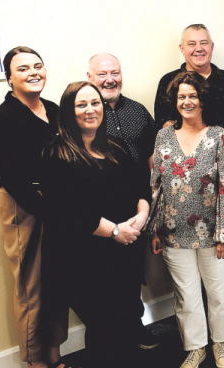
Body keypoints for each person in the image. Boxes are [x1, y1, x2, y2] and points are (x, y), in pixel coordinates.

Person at [41, 81, 154, 368]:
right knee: (105, 327)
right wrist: (116, 231)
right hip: (84, 258)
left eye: (95, 103)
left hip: (124, 250)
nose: (90, 110)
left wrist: (141, 216)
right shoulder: (57, 154)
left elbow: (140, 186)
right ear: (68, 111)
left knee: (124, 321)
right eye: (81, 105)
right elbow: (67, 211)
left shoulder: (114, 146)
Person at [0, 46, 84, 368]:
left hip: (55, 205)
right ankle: (36, 364)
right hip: (22, 206)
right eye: (23, 68)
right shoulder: (1, 118)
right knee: (31, 286)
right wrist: (49, 210)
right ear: (9, 77)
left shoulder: (54, 110)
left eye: (38, 66)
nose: (33, 72)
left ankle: (54, 356)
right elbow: (9, 176)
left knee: (57, 280)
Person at [154, 24, 224, 320]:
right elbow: (166, 129)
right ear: (181, 48)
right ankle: (200, 304)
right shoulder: (169, 83)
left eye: (204, 42)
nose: (198, 48)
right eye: (191, 43)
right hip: (185, 184)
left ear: (211, 46)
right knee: (189, 244)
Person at [150, 71, 224, 368]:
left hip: (214, 232)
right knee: (185, 294)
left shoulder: (220, 136)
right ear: (174, 102)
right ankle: (196, 347)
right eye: (181, 97)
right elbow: (156, 186)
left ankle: (220, 343)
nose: (187, 102)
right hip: (173, 231)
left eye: (192, 96)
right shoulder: (163, 136)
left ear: (202, 100)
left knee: (219, 292)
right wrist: (154, 229)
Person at [87, 53, 159, 350]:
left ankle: (134, 326)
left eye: (114, 72)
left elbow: (153, 156)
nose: (109, 79)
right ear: (90, 77)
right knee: (103, 277)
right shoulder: (87, 112)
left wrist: (150, 202)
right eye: (102, 74)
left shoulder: (138, 111)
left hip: (137, 203)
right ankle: (111, 339)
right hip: (101, 210)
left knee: (132, 271)